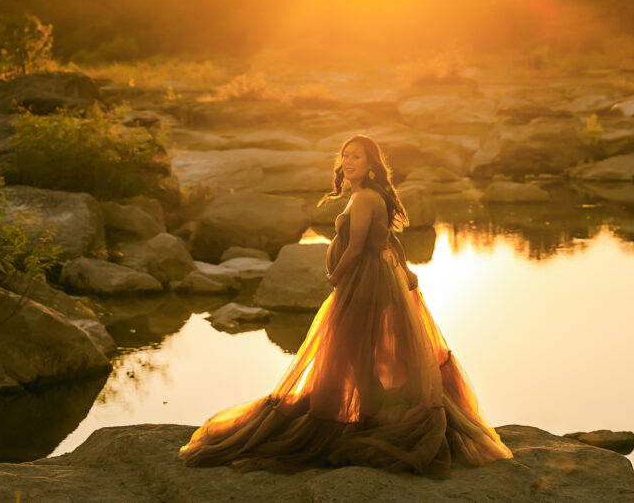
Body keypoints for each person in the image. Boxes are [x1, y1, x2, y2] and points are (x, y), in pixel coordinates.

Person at [178, 134, 512, 477]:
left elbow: (356, 247)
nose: (348, 162)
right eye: (345, 156)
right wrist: (406, 270)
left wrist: (335, 277)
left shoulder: (366, 197)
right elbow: (388, 239)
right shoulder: (364, 196)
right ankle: (369, 417)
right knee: (360, 354)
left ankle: (369, 421)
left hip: (365, 281)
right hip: (373, 278)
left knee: (352, 352)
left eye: (357, 157)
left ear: (371, 166)